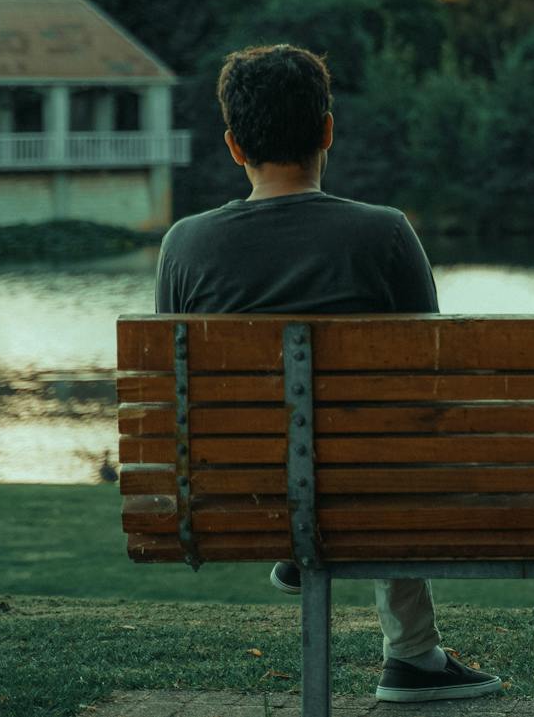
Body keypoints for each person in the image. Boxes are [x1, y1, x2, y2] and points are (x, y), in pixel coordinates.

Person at [154, 43, 502, 704]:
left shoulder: (185, 245)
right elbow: (429, 381)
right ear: (328, 131)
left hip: (236, 488)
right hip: (367, 483)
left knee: (330, 444)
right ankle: (412, 654)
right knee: (389, 440)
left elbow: (182, 396)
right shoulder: (387, 234)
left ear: (233, 145)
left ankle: (297, 530)